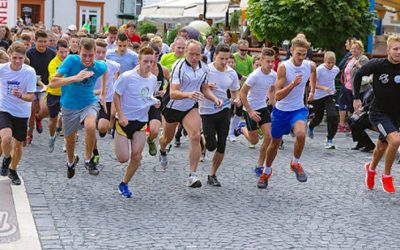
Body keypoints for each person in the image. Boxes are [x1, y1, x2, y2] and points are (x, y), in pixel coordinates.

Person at [158, 39, 222, 188]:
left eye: (197, 54)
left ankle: (192, 175)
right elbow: (173, 93)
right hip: (173, 106)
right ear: (186, 52)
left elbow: (204, 88)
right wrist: (188, 94)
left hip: (190, 106)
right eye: (191, 54)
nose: (194, 58)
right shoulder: (178, 66)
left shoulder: (204, 68)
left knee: (195, 135)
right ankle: (162, 150)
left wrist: (214, 98)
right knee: (167, 138)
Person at [261, 36, 316, 188]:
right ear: (291, 51)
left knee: (300, 134)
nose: (301, 57)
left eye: (304, 54)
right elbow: (277, 95)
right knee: (274, 144)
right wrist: (292, 84)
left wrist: (312, 89)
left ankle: (295, 163)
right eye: (298, 53)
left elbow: (313, 71)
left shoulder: (308, 65)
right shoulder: (284, 67)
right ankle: (266, 172)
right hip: (281, 111)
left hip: (298, 109)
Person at [49, 38, 107, 179]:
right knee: (70, 140)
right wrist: (75, 78)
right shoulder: (71, 61)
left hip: (89, 103)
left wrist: (104, 93)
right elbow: (52, 83)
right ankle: (70, 162)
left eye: (91, 55)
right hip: (69, 105)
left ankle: (88, 160)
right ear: (78, 52)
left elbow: (106, 71)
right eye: (84, 55)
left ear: (95, 53)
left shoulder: (100, 66)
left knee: (90, 125)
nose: (87, 59)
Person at [353, 35, 400, 193]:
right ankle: (386, 176)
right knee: (395, 141)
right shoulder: (378, 64)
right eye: (395, 49)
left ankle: (371, 169)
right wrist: (356, 98)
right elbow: (358, 75)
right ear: (388, 50)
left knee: (381, 147)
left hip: (396, 114)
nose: (398, 52)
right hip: (379, 112)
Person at [113, 47, 159, 197]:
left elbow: (146, 96)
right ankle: (116, 134)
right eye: (145, 61)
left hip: (141, 122)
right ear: (138, 61)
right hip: (124, 122)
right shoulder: (127, 76)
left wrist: (154, 101)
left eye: (151, 62)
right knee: (123, 158)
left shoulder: (152, 79)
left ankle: (124, 183)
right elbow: (116, 95)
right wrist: (121, 115)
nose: (148, 65)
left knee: (137, 156)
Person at [199, 44, 240, 186]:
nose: (224, 62)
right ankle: (203, 138)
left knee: (222, 144)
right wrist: (208, 91)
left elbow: (235, 90)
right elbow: (201, 88)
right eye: (221, 58)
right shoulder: (206, 70)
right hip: (207, 110)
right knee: (211, 146)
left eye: (227, 59)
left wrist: (236, 99)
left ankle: (212, 175)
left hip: (224, 110)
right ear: (215, 55)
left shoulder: (231, 73)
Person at [234, 48, 276, 187]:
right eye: (268, 61)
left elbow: (271, 89)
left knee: (269, 136)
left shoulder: (273, 75)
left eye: (272, 62)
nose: (270, 64)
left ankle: (259, 165)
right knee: (254, 140)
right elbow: (242, 94)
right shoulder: (255, 75)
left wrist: (273, 103)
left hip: (263, 108)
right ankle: (242, 129)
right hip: (249, 108)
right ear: (262, 60)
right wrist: (250, 111)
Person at [0, 43, 36, 185]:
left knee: (18, 146)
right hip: (4, 108)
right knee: (6, 138)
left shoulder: (29, 72)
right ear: (9, 56)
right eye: (14, 58)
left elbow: (31, 97)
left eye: (20, 58)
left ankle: (13, 169)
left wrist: (21, 96)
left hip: (21, 111)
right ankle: (7, 157)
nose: (17, 61)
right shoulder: (2, 69)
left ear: (24, 57)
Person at [92, 39, 120, 165]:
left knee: (102, 128)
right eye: (98, 52)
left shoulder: (112, 65)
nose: (100, 55)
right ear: (93, 52)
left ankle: (102, 131)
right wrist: (96, 91)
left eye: (103, 52)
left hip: (107, 100)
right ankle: (95, 153)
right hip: (90, 100)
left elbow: (117, 70)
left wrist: (115, 82)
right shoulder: (88, 65)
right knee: (91, 127)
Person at [26, 30, 56, 143]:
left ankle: (39, 118)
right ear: (35, 41)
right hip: (31, 86)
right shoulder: (29, 53)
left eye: (44, 41)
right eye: (40, 42)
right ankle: (29, 134)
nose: (43, 44)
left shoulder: (52, 54)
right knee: (32, 110)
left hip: (44, 86)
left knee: (45, 109)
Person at [307, 51, 340, 149]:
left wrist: (331, 89)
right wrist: (323, 88)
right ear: (324, 61)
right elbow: (311, 83)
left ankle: (330, 139)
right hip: (318, 96)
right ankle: (311, 126)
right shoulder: (319, 70)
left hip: (329, 95)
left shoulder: (336, 69)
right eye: (328, 62)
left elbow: (331, 79)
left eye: (332, 63)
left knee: (332, 116)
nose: (330, 65)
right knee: (318, 118)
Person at [338, 40, 369, 132]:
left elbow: (367, 71)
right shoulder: (350, 58)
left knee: (356, 108)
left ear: (360, 49)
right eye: (352, 48)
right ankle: (350, 125)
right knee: (349, 107)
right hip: (347, 86)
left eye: (356, 48)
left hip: (358, 88)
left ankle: (356, 126)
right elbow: (343, 69)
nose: (354, 50)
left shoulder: (363, 58)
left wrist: (359, 65)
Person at [47, 39, 70, 153]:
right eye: (61, 52)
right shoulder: (53, 63)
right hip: (54, 94)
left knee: (67, 118)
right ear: (57, 51)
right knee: (53, 120)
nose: (64, 54)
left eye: (66, 52)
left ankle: (66, 142)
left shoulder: (70, 62)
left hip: (67, 94)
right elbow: (55, 80)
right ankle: (52, 137)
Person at [147, 44, 170, 156]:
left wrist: (165, 90)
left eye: (157, 55)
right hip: (141, 103)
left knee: (155, 131)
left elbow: (173, 83)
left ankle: (150, 140)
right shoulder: (139, 69)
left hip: (156, 103)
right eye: (152, 54)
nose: (154, 57)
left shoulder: (163, 69)